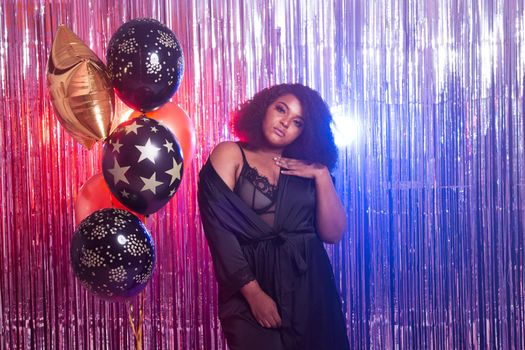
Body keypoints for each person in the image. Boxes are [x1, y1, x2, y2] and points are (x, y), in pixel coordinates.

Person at [198, 83, 350, 349]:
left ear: (306, 131)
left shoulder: (309, 168)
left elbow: (333, 234)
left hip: (310, 286)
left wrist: (322, 175)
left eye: (297, 122)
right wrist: (254, 294)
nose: (285, 123)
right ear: (263, 108)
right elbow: (219, 233)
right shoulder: (230, 153)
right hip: (251, 284)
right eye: (281, 109)